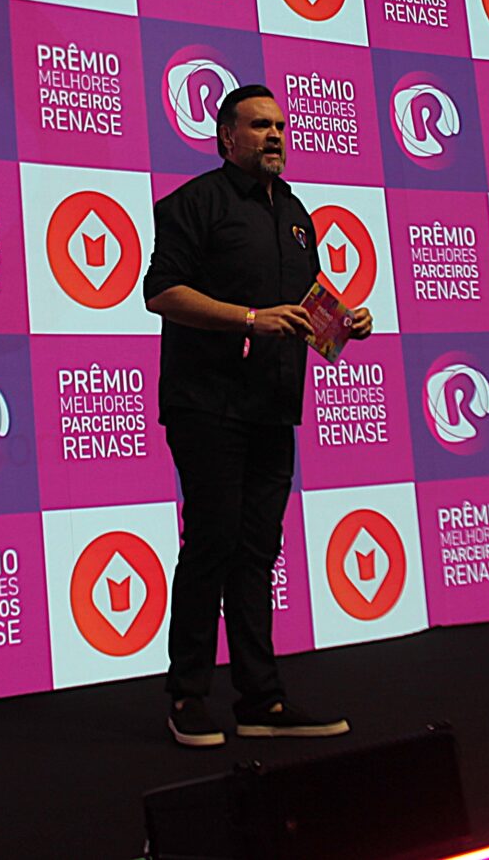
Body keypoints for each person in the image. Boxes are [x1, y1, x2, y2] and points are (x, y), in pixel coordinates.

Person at [142, 84, 373, 748]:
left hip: (274, 405)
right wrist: (249, 318)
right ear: (226, 136)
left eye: (280, 125)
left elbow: (303, 309)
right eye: (259, 125)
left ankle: (260, 700)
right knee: (212, 542)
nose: (275, 134)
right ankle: (187, 693)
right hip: (207, 403)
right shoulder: (193, 203)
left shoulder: (296, 212)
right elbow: (161, 291)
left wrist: (343, 322)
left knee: (257, 551)